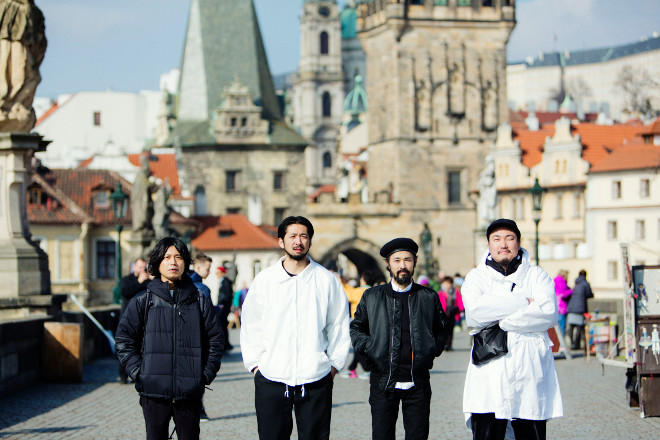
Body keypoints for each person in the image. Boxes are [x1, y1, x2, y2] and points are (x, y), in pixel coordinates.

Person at [240, 216, 350, 440]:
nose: (298, 241)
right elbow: (251, 324)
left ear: (310, 241)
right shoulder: (265, 280)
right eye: (292, 236)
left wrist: (334, 365)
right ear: (281, 241)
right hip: (272, 376)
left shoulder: (326, 280)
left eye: (303, 236)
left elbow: (338, 324)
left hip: (315, 376)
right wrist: (256, 365)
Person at [462, 219, 563, 440]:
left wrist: (501, 321)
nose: (503, 244)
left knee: (530, 430)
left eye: (509, 238)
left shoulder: (537, 275)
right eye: (497, 239)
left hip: (529, 370)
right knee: (488, 432)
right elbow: (475, 313)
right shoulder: (476, 277)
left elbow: (548, 313)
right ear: (489, 244)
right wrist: (523, 301)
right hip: (489, 372)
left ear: (518, 243)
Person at [115, 237, 225, 440]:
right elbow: (124, 340)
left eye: (178, 257)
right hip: (153, 392)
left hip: (189, 393)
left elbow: (216, 340)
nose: (173, 262)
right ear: (158, 263)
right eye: (167, 257)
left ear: (186, 262)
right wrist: (140, 374)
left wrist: (203, 376)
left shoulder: (199, 300)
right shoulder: (143, 301)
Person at [350, 238, 449, 440]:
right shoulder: (372, 296)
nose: (402, 265)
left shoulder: (428, 297)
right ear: (388, 264)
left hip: (418, 382)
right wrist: (373, 349)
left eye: (407, 260)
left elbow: (442, 330)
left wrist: (430, 349)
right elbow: (357, 329)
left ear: (414, 262)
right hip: (382, 382)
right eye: (396, 260)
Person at [341, 269, 379, 379]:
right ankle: (352, 368)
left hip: (358, 322)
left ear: (364, 280)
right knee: (359, 346)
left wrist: (341, 282)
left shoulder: (360, 291)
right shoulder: (374, 291)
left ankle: (367, 369)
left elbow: (348, 294)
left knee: (359, 346)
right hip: (370, 322)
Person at [190, 252, 214, 422]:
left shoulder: (183, 284)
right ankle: (199, 410)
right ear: (198, 267)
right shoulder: (202, 288)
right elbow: (208, 315)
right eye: (208, 268)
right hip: (199, 336)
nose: (209, 272)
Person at [118, 257, 150, 384]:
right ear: (134, 267)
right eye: (140, 267)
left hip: (142, 318)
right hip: (127, 317)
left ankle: (137, 373)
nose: (142, 270)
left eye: (144, 267)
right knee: (125, 346)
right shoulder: (127, 280)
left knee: (140, 347)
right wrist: (139, 282)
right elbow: (125, 292)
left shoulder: (147, 281)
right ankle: (122, 375)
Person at [566, 270, 593, 350]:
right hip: (580, 308)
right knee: (579, 326)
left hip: (571, 307)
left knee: (571, 326)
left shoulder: (576, 283)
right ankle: (576, 344)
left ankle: (571, 343)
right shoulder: (585, 283)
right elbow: (589, 294)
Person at [438, 276, 464, 351]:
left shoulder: (455, 292)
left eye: (448, 283)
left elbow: (459, 301)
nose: (447, 285)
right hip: (442, 315)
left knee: (450, 330)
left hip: (452, 314)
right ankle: (443, 344)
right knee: (443, 330)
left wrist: (461, 309)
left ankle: (448, 344)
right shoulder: (440, 293)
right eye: (445, 283)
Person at [216, 265, 234, 350]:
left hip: (224, 307)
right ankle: (226, 343)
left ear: (223, 273)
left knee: (222, 325)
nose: (217, 274)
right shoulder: (223, 281)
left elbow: (227, 295)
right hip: (223, 306)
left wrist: (222, 303)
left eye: (218, 273)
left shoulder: (225, 282)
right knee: (223, 325)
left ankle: (225, 344)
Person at [553, 269, 572, 335]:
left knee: (555, 329)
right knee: (561, 328)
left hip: (554, 308)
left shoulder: (554, 281)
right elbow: (562, 295)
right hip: (561, 308)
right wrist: (570, 291)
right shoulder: (562, 282)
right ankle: (561, 341)